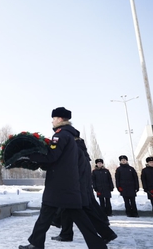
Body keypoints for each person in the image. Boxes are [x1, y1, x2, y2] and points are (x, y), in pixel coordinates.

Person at [18, 107, 107, 249]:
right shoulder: (69, 136)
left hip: (59, 184)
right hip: (66, 183)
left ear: (59, 119)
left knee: (49, 214)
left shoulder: (60, 135)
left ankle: (36, 243)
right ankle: (36, 243)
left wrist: (28, 155)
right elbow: (58, 159)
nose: (52, 121)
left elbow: (52, 156)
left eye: (53, 118)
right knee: (65, 215)